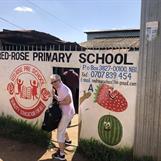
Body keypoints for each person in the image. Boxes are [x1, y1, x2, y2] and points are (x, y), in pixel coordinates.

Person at [50, 74, 75, 161]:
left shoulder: (62, 89)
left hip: (67, 113)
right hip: (69, 112)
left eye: (55, 81)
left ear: (59, 80)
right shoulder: (61, 88)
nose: (54, 84)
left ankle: (62, 155)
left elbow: (68, 101)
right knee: (62, 127)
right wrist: (54, 95)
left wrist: (57, 104)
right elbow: (62, 99)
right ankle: (67, 141)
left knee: (60, 132)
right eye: (52, 82)